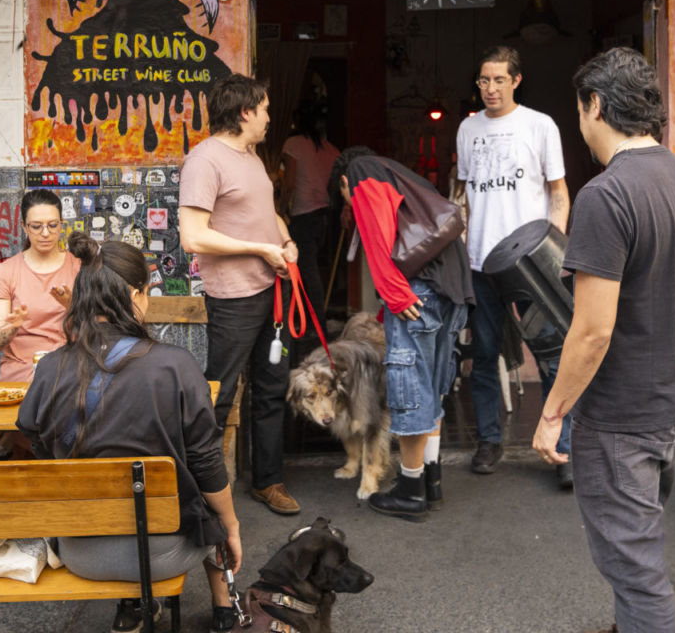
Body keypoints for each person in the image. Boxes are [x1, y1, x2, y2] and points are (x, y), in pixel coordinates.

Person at [532, 48, 675, 633]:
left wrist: (553, 411)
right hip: (673, 408)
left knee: (638, 574)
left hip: (621, 418)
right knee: (639, 549)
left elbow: (592, 331)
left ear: (596, 106)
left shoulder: (606, 196)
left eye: (579, 109)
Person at [17, 233, 242, 633]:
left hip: (80, 550)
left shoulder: (50, 367)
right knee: (203, 493)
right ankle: (224, 606)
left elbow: (39, 445)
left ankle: (134, 606)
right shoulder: (176, 365)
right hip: (162, 553)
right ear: (138, 295)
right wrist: (234, 526)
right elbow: (208, 466)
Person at [179, 73, 301, 516]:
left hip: (276, 292)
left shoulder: (251, 156)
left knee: (271, 387)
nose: (269, 117)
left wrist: (285, 242)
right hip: (234, 298)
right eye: (265, 109)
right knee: (221, 393)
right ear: (246, 112)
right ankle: (201, 491)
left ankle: (267, 481)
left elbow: (267, 214)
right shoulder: (204, 160)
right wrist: (261, 249)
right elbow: (193, 237)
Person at [329, 146, 473, 520]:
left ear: (344, 182)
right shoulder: (403, 173)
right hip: (451, 287)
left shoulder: (362, 169)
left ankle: (410, 491)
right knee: (433, 389)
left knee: (411, 392)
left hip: (415, 288)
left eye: (346, 196)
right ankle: (431, 481)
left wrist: (392, 291)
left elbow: (377, 225)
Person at [455, 45, 571, 481]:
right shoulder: (468, 130)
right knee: (483, 356)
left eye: (499, 80)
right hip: (481, 263)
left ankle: (562, 448)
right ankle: (489, 442)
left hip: (530, 265)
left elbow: (559, 191)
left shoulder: (540, 125)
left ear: (516, 80)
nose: (490, 88)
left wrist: (556, 253)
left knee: (550, 356)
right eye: (484, 80)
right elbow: (466, 196)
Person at [0, 189, 81, 459]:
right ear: (24, 227)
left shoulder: (78, 268)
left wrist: (73, 308)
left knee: (60, 384)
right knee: (37, 386)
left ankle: (8, 445)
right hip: (20, 367)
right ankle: (17, 447)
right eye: (36, 226)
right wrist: (11, 328)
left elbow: (98, 333)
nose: (46, 233)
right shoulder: (7, 271)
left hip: (68, 363)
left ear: (62, 224)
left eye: (53, 225)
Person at [281, 97, 341, 333]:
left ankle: (315, 323)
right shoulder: (331, 149)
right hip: (325, 214)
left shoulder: (293, 144)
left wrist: (280, 207)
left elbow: (289, 182)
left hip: (303, 213)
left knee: (305, 269)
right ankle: (316, 319)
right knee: (315, 267)